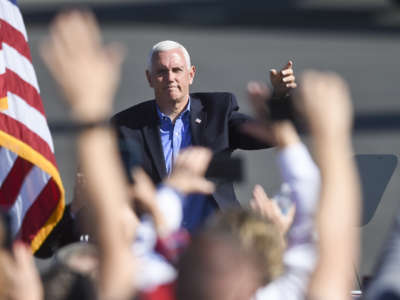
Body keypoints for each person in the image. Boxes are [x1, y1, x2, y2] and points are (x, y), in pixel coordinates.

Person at [111, 40, 297, 232]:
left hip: (216, 237)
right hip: (159, 237)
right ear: (149, 78)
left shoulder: (217, 112)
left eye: (177, 70)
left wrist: (279, 99)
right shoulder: (127, 126)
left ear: (190, 74)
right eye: (161, 72)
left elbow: (267, 135)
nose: (170, 78)